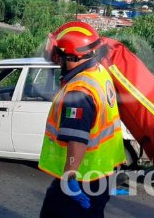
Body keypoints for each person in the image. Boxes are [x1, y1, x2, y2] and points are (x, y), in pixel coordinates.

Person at [38, 21, 126, 218]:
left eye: (58, 53)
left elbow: (77, 139)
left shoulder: (79, 91)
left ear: (70, 56)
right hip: (100, 173)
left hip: (80, 178)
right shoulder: (98, 73)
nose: (56, 58)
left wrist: (69, 177)